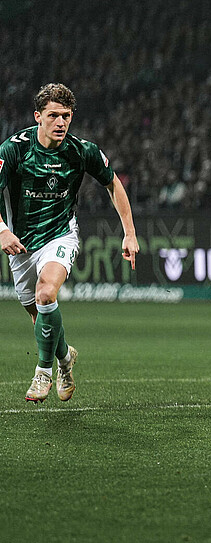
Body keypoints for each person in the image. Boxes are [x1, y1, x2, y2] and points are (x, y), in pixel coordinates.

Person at [0, 83, 139, 403]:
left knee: (47, 292)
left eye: (66, 116)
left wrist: (129, 232)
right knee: (41, 319)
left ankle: (43, 372)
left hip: (60, 234)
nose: (60, 122)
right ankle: (64, 359)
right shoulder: (14, 150)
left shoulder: (81, 150)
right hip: (20, 243)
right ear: (38, 117)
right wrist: (3, 232)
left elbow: (113, 184)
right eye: (53, 116)